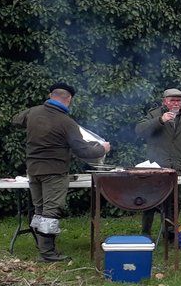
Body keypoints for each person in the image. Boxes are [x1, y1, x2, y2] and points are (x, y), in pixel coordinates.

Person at [11, 83, 110, 262]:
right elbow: (83, 152)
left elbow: (16, 120)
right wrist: (102, 149)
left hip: (33, 170)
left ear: (50, 95)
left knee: (39, 209)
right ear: (69, 99)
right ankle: (47, 254)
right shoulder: (67, 123)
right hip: (54, 172)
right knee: (51, 211)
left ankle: (42, 246)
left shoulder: (33, 112)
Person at [134, 88, 181, 242]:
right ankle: (145, 233)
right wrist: (160, 120)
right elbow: (139, 130)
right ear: (164, 101)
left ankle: (170, 233)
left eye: (178, 101)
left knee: (175, 203)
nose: (175, 103)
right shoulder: (154, 114)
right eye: (172, 100)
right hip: (157, 168)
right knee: (150, 202)